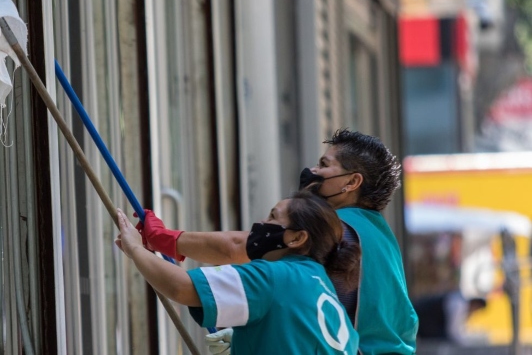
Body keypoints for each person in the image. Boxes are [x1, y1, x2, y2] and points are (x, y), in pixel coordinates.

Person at [138, 128, 419, 354]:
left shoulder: (340, 228)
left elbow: (240, 247)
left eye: (324, 165)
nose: (312, 171)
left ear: (352, 182)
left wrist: (167, 239)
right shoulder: (379, 235)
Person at [116, 190, 362, 354]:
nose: (262, 223)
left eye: (273, 216)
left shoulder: (276, 277)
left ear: (297, 238)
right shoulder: (323, 289)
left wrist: (136, 249)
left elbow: (181, 287)